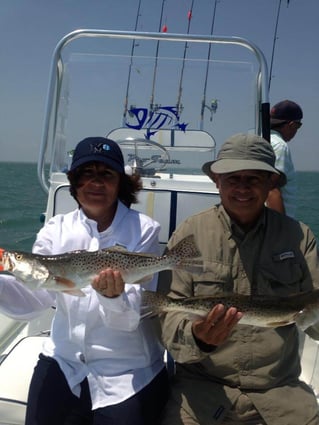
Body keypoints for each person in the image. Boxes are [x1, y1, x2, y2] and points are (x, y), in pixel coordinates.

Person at [0, 137, 169, 425]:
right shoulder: (56, 229)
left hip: (126, 372)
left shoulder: (144, 229)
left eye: (106, 174)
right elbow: (36, 298)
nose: (96, 183)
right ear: (74, 182)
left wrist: (113, 296)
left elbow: (133, 316)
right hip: (63, 361)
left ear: (120, 183)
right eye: (86, 174)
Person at [158, 133, 319, 425]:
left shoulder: (299, 238)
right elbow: (168, 319)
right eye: (233, 178)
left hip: (280, 392)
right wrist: (198, 337)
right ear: (217, 181)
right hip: (202, 391)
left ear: (271, 184)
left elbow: (315, 321)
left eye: (253, 179)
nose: (242, 188)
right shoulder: (189, 234)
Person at [266, 99, 303, 217]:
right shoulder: (280, 146)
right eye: (298, 127)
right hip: (275, 224)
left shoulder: (263, 140)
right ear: (292, 125)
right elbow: (271, 189)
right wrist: (281, 230)